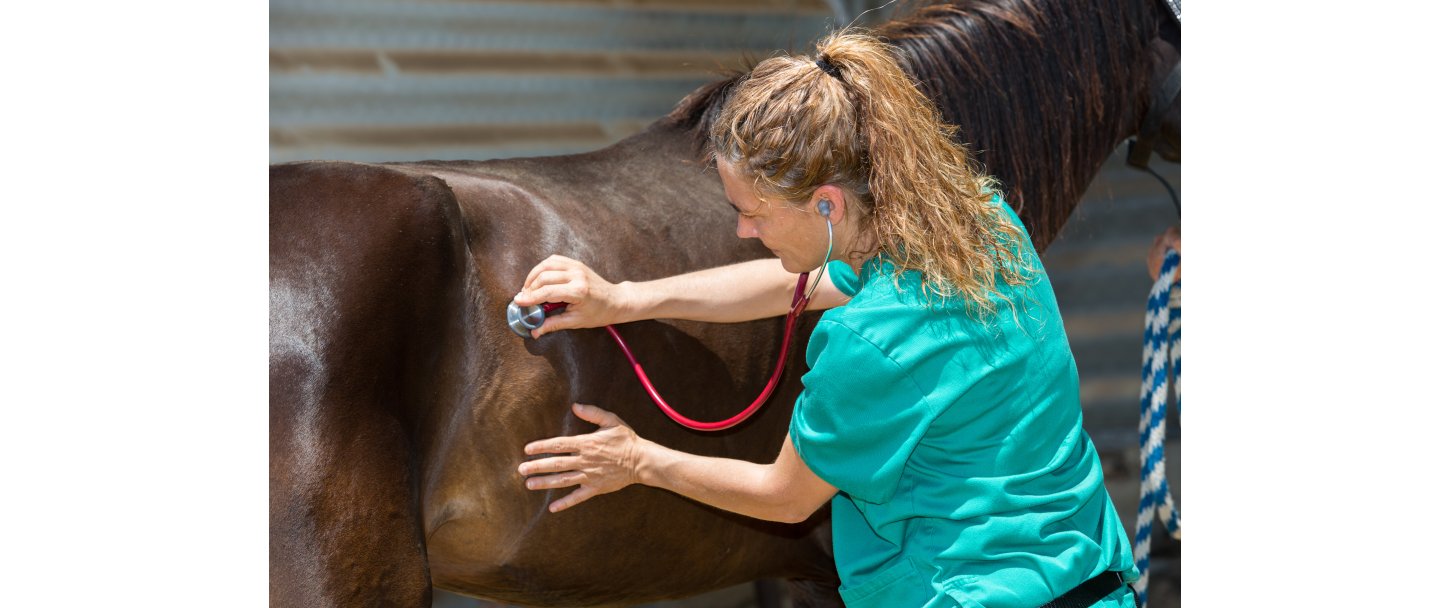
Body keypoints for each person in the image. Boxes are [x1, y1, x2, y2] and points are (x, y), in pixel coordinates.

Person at [511, 31, 1140, 608]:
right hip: (1093, 577)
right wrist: (625, 298)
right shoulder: (978, 220)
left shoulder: (868, 343)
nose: (743, 231)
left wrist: (637, 460)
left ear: (827, 204)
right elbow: (800, 283)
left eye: (754, 213)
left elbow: (784, 497)